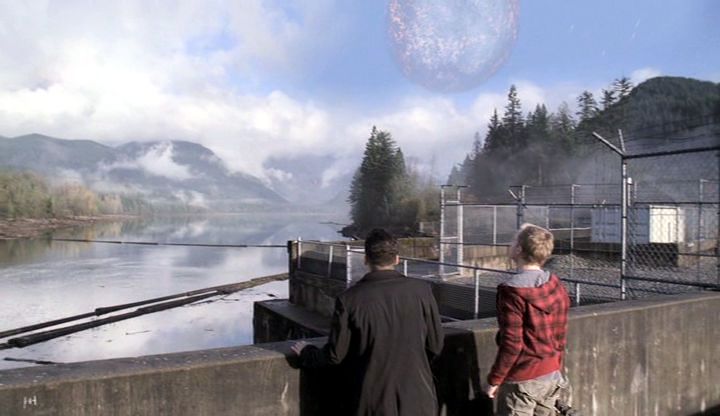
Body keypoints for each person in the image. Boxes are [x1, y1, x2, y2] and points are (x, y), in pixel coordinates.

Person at [291, 228, 444, 416]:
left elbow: (335, 355)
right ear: (397, 259)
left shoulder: (349, 299)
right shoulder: (422, 290)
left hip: (372, 402)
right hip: (419, 398)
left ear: (365, 260)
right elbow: (435, 345)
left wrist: (307, 353)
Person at [484, 223, 571, 416]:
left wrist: (495, 380)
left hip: (524, 379)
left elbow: (512, 344)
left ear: (519, 249)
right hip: (551, 374)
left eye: (514, 241)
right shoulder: (555, 285)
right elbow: (560, 335)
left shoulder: (511, 291)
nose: (510, 244)